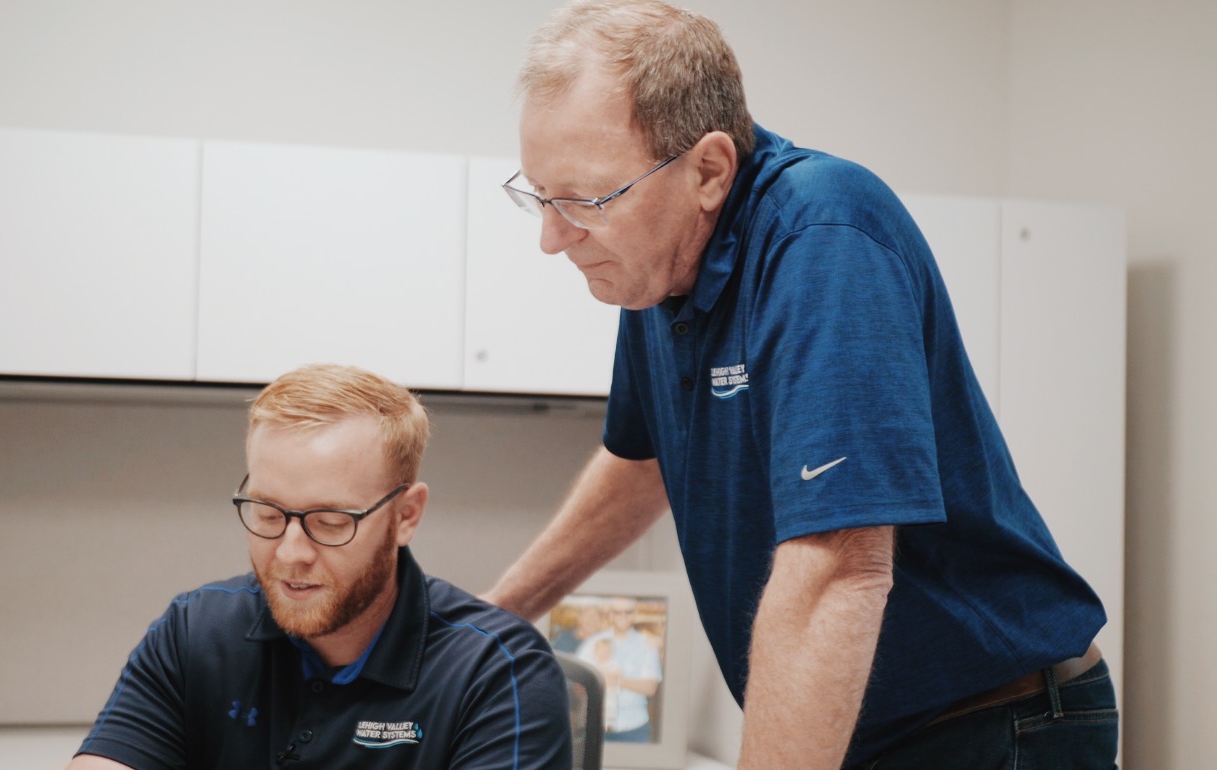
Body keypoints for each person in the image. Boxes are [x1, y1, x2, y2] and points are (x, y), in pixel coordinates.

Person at [485, 1, 1119, 768]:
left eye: (586, 201)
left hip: (992, 723)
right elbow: (640, 463)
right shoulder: (656, 269)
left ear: (709, 172)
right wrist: (496, 616)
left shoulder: (823, 236)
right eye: (542, 197)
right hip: (872, 727)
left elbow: (840, 567)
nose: (552, 238)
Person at [69, 363, 572, 770]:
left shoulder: (498, 671)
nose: (290, 553)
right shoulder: (195, 632)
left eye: (330, 522)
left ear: (405, 516)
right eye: (267, 513)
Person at [575, 598, 662, 742]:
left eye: (628, 612)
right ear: (611, 614)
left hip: (634, 728)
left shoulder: (647, 644)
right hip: (596, 726)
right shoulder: (593, 643)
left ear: (635, 614)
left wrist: (616, 680)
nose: (622, 616)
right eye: (617, 612)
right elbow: (579, 681)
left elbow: (651, 687)